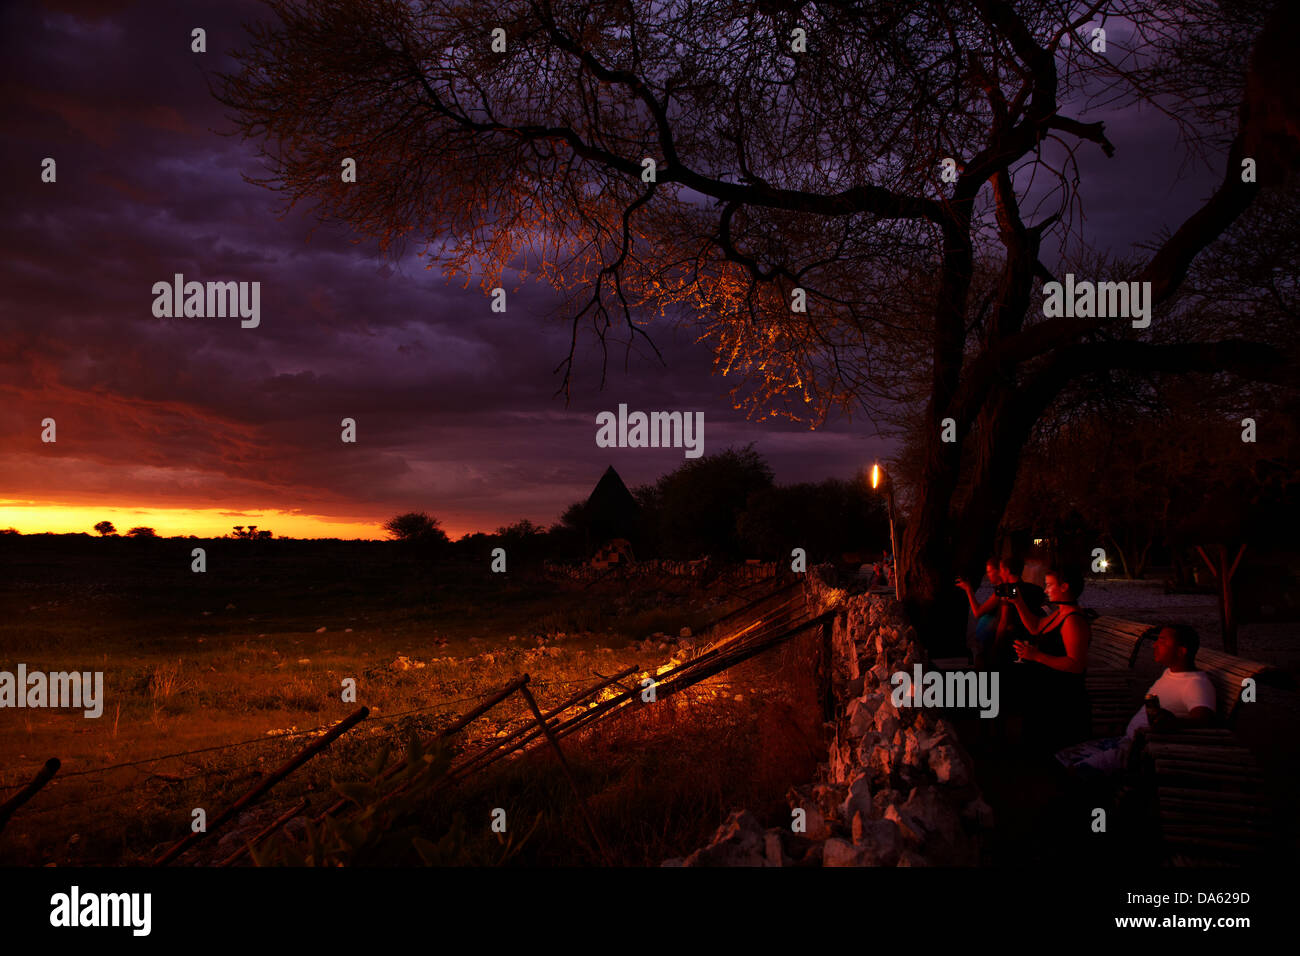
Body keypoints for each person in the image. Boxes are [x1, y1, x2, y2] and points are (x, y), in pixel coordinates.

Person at [1056, 624, 1216, 778]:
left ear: (1182, 651)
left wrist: (1174, 722)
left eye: (1162, 641)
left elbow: (1205, 718)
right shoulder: (1171, 672)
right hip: (1125, 741)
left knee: (1072, 773)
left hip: (1139, 751)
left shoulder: (1195, 683)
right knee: (1059, 760)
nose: (1155, 646)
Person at [1005, 566, 1091, 755]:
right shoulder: (1061, 612)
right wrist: (1018, 602)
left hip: (1061, 700)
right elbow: (1036, 627)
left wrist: (1036, 656)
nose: (1045, 590)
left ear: (1064, 587)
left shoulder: (1073, 620)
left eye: (1049, 585)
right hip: (1046, 692)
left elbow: (1076, 665)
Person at [955, 559, 1002, 669]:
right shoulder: (994, 589)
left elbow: (977, 612)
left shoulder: (1000, 591)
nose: (988, 575)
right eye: (987, 572)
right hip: (982, 639)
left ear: (999, 571)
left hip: (990, 640)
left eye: (990, 571)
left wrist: (968, 590)